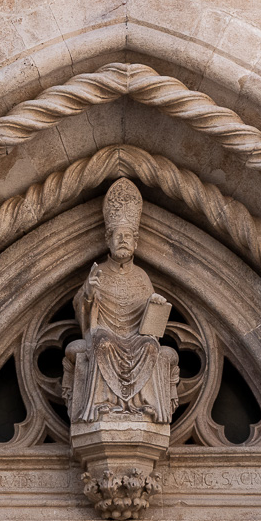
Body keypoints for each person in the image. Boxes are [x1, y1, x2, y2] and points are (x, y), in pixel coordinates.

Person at [62, 179, 178, 423]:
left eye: (128, 236)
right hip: (106, 335)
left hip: (136, 340)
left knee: (150, 346)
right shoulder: (98, 273)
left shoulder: (142, 277)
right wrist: (89, 293)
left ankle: (142, 405)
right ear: (108, 240)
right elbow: (84, 314)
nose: (123, 240)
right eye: (118, 236)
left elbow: (151, 328)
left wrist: (154, 306)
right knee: (102, 342)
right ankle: (103, 403)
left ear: (135, 242)